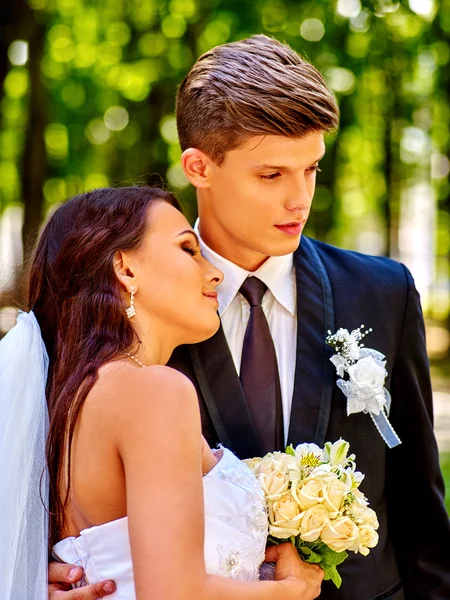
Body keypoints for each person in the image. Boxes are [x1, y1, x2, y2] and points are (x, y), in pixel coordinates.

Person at [49, 35, 450, 600]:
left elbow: (420, 510)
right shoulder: (128, 327)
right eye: (271, 175)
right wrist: (43, 575)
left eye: (311, 168)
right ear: (199, 167)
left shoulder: (382, 293)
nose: (300, 199)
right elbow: (56, 493)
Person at [1, 185, 323, 600]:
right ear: (126, 269)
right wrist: (292, 589)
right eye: (188, 249)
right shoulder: (155, 391)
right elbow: (174, 592)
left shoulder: (73, 398)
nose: (215, 273)